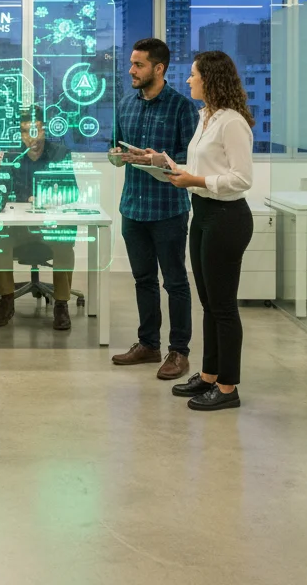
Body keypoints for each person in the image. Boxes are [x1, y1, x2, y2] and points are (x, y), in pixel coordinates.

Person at [165, 50, 254, 411]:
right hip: (201, 213)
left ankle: (229, 388)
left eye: (194, 75)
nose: (189, 80)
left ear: (211, 79)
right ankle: (209, 375)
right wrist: (164, 162)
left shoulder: (232, 122)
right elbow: (204, 166)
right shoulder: (206, 117)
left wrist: (195, 179)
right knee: (209, 304)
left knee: (223, 308)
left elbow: (242, 178)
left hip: (226, 218)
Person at [108, 38, 199, 380]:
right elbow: (115, 151)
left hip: (169, 210)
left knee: (175, 282)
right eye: (131, 63)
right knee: (143, 280)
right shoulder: (126, 104)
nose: (131, 70)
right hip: (133, 208)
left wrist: (161, 160)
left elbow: (194, 160)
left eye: (139, 65)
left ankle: (179, 352)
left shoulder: (181, 107)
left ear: (158, 68)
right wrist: (117, 157)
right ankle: (148, 345)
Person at [0, 106, 78, 331]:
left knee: (64, 242)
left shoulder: (60, 153)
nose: (29, 136)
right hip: (19, 228)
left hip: (50, 226)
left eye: (34, 130)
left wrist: (47, 198)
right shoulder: (13, 155)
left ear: (43, 130)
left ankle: (61, 304)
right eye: (24, 131)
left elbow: (73, 192)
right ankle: (6, 300)